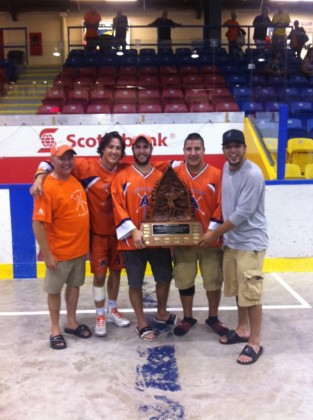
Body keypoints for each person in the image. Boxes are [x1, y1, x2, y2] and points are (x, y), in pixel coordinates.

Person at [30, 132, 130, 338]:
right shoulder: (84, 168)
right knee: (99, 276)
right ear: (102, 148)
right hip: (94, 238)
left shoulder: (123, 170)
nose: (114, 151)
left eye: (118, 148)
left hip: (117, 235)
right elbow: (48, 163)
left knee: (115, 273)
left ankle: (109, 310)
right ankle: (98, 314)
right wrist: (39, 177)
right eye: (110, 147)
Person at [199, 129, 268, 365]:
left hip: (250, 244)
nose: (233, 150)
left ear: (244, 148)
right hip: (232, 242)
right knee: (239, 291)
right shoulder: (227, 169)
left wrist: (213, 234)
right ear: (223, 149)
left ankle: (255, 343)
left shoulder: (253, 174)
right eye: (228, 146)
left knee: (251, 294)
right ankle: (242, 330)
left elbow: (242, 214)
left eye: (237, 145)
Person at [111, 134, 176, 342]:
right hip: (132, 242)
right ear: (132, 150)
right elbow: (117, 206)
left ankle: (162, 312)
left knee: (164, 277)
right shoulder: (122, 176)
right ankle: (141, 322)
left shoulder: (160, 175)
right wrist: (133, 231)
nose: (141, 150)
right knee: (135, 283)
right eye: (138, 147)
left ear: (151, 149)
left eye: (145, 147)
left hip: (158, 241)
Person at [166, 133, 229, 338]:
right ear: (183, 151)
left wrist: (211, 231)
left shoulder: (216, 174)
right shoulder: (174, 173)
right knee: (184, 280)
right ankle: (188, 317)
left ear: (204, 150)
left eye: (197, 149)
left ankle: (213, 317)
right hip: (184, 240)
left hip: (211, 240)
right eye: (189, 149)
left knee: (213, 280)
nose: (193, 153)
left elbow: (222, 205)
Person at [32, 144, 92, 350]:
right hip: (59, 253)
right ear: (52, 161)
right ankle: (55, 329)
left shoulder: (75, 179)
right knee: (54, 291)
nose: (67, 162)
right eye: (61, 158)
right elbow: (37, 223)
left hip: (78, 251)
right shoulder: (46, 187)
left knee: (74, 286)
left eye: (69, 158)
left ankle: (71, 322)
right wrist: (47, 255)